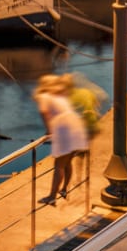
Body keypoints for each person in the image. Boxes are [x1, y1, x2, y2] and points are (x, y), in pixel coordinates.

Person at [35, 74, 89, 203]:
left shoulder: (44, 96)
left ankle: (52, 197)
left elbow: (44, 112)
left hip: (64, 127)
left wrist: (49, 130)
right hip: (75, 124)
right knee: (67, 161)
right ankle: (64, 189)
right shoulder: (59, 96)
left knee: (59, 165)